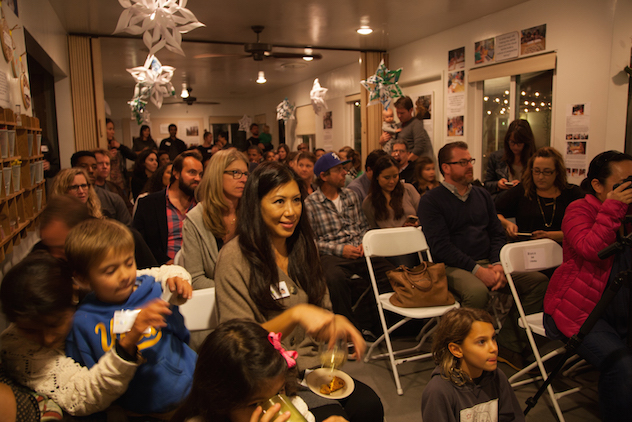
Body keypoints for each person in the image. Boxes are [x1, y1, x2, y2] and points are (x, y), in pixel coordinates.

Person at [214, 161, 383, 422]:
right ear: (256, 205)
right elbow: (240, 346)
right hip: (268, 380)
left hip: (312, 369)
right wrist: (296, 315)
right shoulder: (234, 257)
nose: (291, 211)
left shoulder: (304, 247)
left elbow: (322, 311)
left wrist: (333, 324)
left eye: (296, 200)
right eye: (279, 202)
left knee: (369, 406)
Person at [418, 141, 549, 369]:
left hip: (489, 263)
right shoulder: (431, 200)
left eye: (470, 161)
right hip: (452, 266)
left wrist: (498, 264)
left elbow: (497, 234)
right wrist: (478, 271)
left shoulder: (482, 195)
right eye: (462, 162)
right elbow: (441, 247)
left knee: (537, 282)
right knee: (477, 293)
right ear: (446, 168)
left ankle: (507, 344)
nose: (470, 166)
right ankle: (464, 354)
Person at [0, 252, 170, 416]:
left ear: (74, 295)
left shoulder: (87, 289)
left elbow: (151, 274)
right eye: (30, 331)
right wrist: (126, 346)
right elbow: (82, 396)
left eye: (55, 324)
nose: (48, 339)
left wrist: (174, 277)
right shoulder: (17, 348)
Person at [64, 219, 196, 415]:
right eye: (110, 271)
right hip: (140, 412)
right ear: (83, 278)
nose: (125, 275)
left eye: (129, 263)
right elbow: (91, 380)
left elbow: (181, 333)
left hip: (192, 388)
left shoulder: (155, 291)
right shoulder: (82, 322)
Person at [543, 150, 632, 421]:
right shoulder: (578, 209)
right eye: (623, 183)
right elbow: (590, 249)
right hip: (579, 309)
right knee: (621, 364)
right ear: (597, 185)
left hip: (620, 305)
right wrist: (613, 208)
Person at [305, 152, 394, 334]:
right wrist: (340, 250)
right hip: (332, 255)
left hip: (359, 250)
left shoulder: (351, 196)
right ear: (324, 176)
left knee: (391, 274)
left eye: (344, 169)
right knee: (334, 279)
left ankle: (367, 321)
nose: (344, 173)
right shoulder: (311, 204)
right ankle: (347, 331)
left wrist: (364, 243)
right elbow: (311, 242)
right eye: (338, 170)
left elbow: (363, 226)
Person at [171, 319, 322, 422]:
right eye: (256, 404)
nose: (275, 410)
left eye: (279, 392)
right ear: (221, 403)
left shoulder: (294, 407)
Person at [421, 308, 524, 422]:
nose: (494, 348)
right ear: (456, 350)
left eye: (493, 338)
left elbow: (512, 418)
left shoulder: (497, 377)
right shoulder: (438, 391)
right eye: (481, 342)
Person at [182, 149, 248, 290]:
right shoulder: (195, 220)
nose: (244, 179)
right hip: (213, 298)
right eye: (236, 173)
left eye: (245, 174)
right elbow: (195, 279)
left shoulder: (252, 213)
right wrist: (237, 292)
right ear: (217, 175)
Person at [34, 194, 158, 269]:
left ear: (83, 232)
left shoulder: (127, 240)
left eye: (61, 247)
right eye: (50, 247)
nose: (54, 256)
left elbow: (154, 279)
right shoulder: (42, 252)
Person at [495, 147, 584, 243]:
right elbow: (494, 211)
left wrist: (550, 236)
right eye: (536, 171)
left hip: (562, 249)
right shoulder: (522, 190)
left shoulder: (572, 193)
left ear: (557, 172)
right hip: (527, 247)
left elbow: (582, 229)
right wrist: (508, 224)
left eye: (547, 172)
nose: (540, 177)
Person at [134, 150, 203, 264]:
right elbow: (141, 244)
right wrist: (167, 262)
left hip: (198, 267)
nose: (197, 178)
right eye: (192, 172)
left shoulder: (202, 204)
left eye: (200, 174)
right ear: (176, 173)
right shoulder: (148, 204)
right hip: (162, 268)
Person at [71, 151, 132, 225]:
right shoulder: (67, 200)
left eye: (94, 167)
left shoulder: (114, 197)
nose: (90, 170)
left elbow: (128, 227)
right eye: (84, 167)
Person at [362, 155, 420, 229]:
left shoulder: (409, 190)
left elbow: (424, 214)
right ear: (377, 177)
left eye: (395, 176)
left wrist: (416, 223)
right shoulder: (369, 203)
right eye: (387, 178)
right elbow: (373, 230)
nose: (392, 181)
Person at [484, 119, 536, 199]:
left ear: (526, 142)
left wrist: (521, 186)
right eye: (512, 142)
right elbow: (487, 184)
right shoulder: (496, 157)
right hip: (502, 201)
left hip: (525, 201)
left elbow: (539, 186)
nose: (515, 147)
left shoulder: (534, 160)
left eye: (519, 143)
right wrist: (498, 184)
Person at [380, 96, 433, 163]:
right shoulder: (397, 125)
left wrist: (405, 163)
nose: (399, 116)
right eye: (397, 113)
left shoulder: (416, 124)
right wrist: (381, 141)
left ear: (410, 110)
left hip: (409, 164)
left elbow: (419, 148)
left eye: (402, 113)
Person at [93, 148, 133, 215]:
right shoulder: (86, 189)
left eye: (107, 164)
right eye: (100, 163)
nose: (105, 167)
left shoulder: (115, 188)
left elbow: (128, 208)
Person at [106, 118, 137, 196]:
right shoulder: (102, 147)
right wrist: (108, 156)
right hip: (109, 184)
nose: (113, 132)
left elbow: (134, 156)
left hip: (122, 184)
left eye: (113, 129)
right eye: (110, 129)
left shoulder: (116, 146)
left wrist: (120, 146)